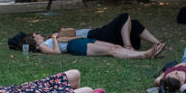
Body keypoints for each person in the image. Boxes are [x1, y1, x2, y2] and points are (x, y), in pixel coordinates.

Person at [25, 32, 165, 59]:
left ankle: (144, 53)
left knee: (115, 46)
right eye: (36, 34)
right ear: (33, 39)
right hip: (74, 47)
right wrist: (54, 38)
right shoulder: (42, 46)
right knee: (110, 50)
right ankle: (143, 55)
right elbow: (57, 53)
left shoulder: (44, 42)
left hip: (77, 41)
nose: (39, 34)